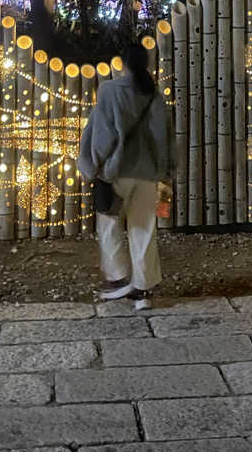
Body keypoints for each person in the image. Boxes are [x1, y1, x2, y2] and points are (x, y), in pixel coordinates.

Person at [78, 42, 171, 310]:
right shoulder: (153, 94)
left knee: (109, 225)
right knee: (143, 229)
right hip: (146, 173)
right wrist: (165, 171)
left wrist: (92, 165)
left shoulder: (109, 90)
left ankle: (118, 280)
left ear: (123, 63)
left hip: (116, 172)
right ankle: (142, 291)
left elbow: (102, 135)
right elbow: (163, 138)